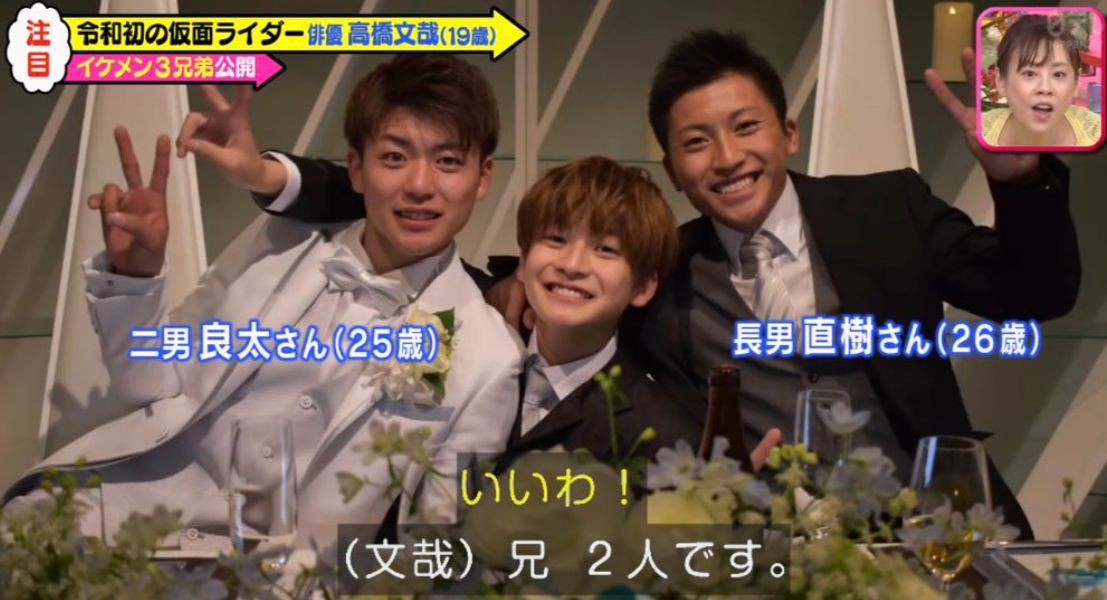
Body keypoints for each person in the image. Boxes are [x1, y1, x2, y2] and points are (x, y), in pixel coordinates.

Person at [181, 31, 1080, 539]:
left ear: (787, 133)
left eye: (745, 128)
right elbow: (423, 205)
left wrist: (1020, 180)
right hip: (774, 546)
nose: (725, 157)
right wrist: (274, 177)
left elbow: (1036, 293)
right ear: (673, 167)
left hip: (940, 524)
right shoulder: (664, 268)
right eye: (695, 142)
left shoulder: (885, 209)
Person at [3, 55, 524, 552]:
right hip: (116, 517)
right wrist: (136, 276)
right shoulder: (281, 241)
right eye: (394, 157)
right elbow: (150, 381)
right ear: (356, 169)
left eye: (448, 161)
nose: (420, 185)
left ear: (482, 178)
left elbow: (434, 540)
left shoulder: (489, 359)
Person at [500, 156, 703, 465]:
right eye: (556, 238)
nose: (572, 265)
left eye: (605, 249)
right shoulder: (476, 364)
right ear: (524, 261)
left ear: (642, 287)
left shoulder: (663, 439)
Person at [981, 13, 1102, 148]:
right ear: (1001, 82)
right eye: (1030, 74)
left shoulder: (1098, 133)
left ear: (1075, 84)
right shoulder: (979, 132)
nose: (1045, 88)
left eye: (1058, 74)